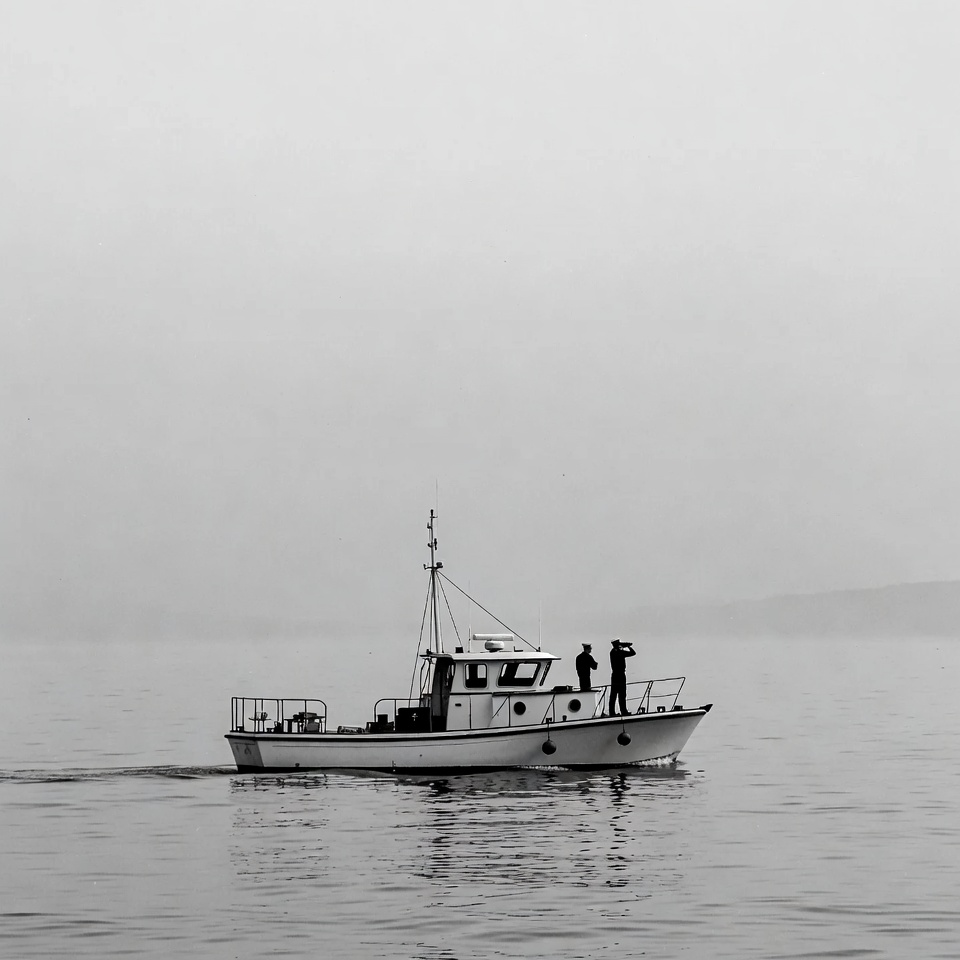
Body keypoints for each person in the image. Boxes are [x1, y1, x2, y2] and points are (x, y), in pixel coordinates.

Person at [609, 638, 637, 716]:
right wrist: (628, 646)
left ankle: (613, 712)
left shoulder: (613, 652)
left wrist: (624, 646)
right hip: (619, 675)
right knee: (621, 694)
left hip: (615, 675)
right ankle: (623, 711)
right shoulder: (618, 652)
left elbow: (632, 653)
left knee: (614, 694)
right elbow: (633, 653)